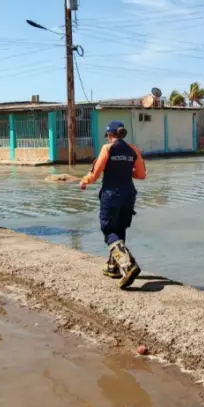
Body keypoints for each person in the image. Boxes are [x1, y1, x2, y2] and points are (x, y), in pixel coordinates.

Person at [80, 120, 147, 289]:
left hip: (111, 195)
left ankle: (127, 265)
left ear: (110, 135)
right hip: (129, 195)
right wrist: (124, 169)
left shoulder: (107, 148)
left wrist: (84, 181)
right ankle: (113, 267)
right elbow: (141, 175)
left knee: (108, 230)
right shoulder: (134, 150)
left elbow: (96, 173)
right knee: (120, 229)